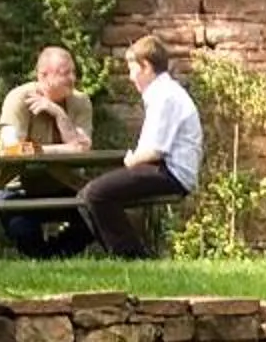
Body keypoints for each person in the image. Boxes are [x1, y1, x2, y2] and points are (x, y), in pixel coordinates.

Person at [75, 33, 202, 258]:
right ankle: (121, 254)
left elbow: (155, 150)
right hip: (163, 168)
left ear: (145, 66)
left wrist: (131, 160)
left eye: (132, 69)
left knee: (96, 193)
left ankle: (132, 257)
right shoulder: (163, 94)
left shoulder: (165, 96)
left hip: (171, 172)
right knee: (88, 195)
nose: (130, 77)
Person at [0, 44, 95, 260]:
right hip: (19, 189)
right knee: (21, 228)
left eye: (73, 72)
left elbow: (82, 149)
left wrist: (58, 114)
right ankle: (47, 261)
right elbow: (10, 149)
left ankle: (55, 258)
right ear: (43, 75)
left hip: (65, 186)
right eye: (65, 73)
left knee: (96, 213)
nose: (72, 78)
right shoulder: (18, 98)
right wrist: (63, 149)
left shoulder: (81, 101)